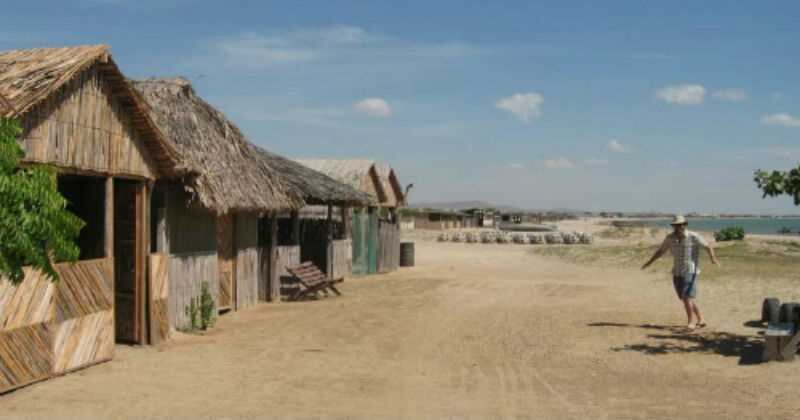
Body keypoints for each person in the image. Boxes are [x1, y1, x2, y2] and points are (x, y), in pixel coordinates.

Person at [641, 215, 720, 330]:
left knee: (686, 297)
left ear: (685, 225)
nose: (678, 227)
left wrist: (713, 258)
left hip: (690, 270)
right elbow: (661, 251)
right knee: (685, 298)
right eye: (676, 225)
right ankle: (701, 318)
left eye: (680, 225)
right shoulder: (670, 238)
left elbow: (708, 246)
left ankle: (690, 322)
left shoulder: (694, 236)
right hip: (677, 271)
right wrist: (650, 261)